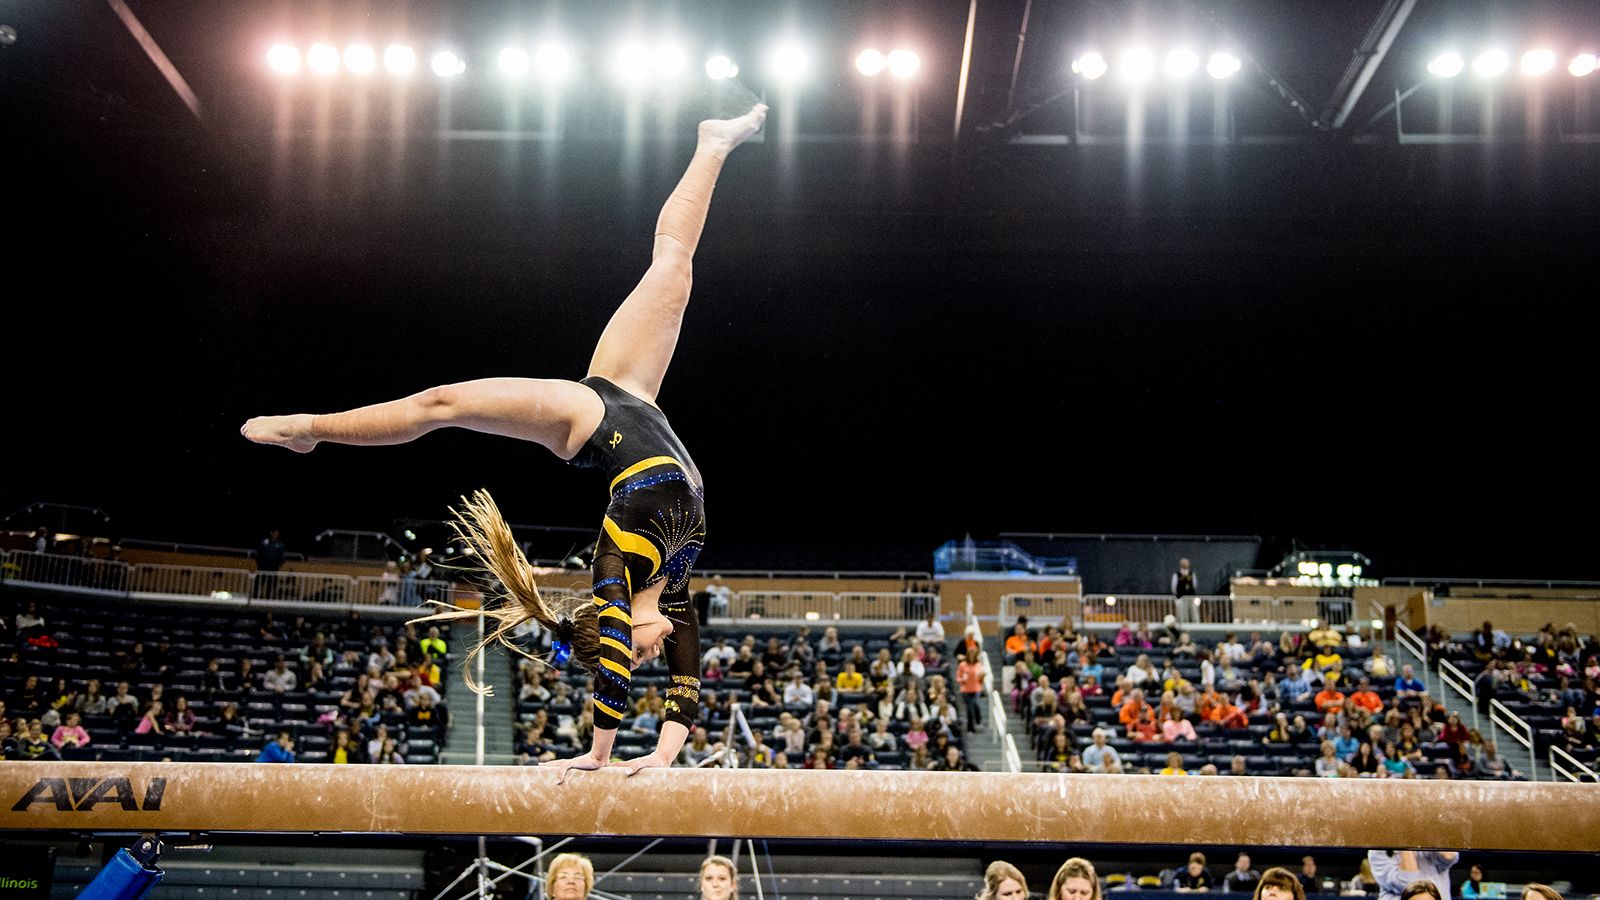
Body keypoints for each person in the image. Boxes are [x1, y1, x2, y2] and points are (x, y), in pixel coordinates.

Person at [243, 103, 768, 780]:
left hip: (589, 420)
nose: (646, 659)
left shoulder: (616, 570)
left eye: (634, 655)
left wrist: (598, 754)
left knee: (444, 404)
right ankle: (715, 145)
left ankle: (309, 431)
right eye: (643, 660)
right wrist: (662, 762)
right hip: (635, 396)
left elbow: (609, 659)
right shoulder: (673, 591)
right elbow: (687, 686)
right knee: (675, 264)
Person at [1366, 851, 1457, 900]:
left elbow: (1448, 857)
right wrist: (1407, 841)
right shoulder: (1378, 850)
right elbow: (1409, 883)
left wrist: (1431, 829)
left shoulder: (1428, 836)